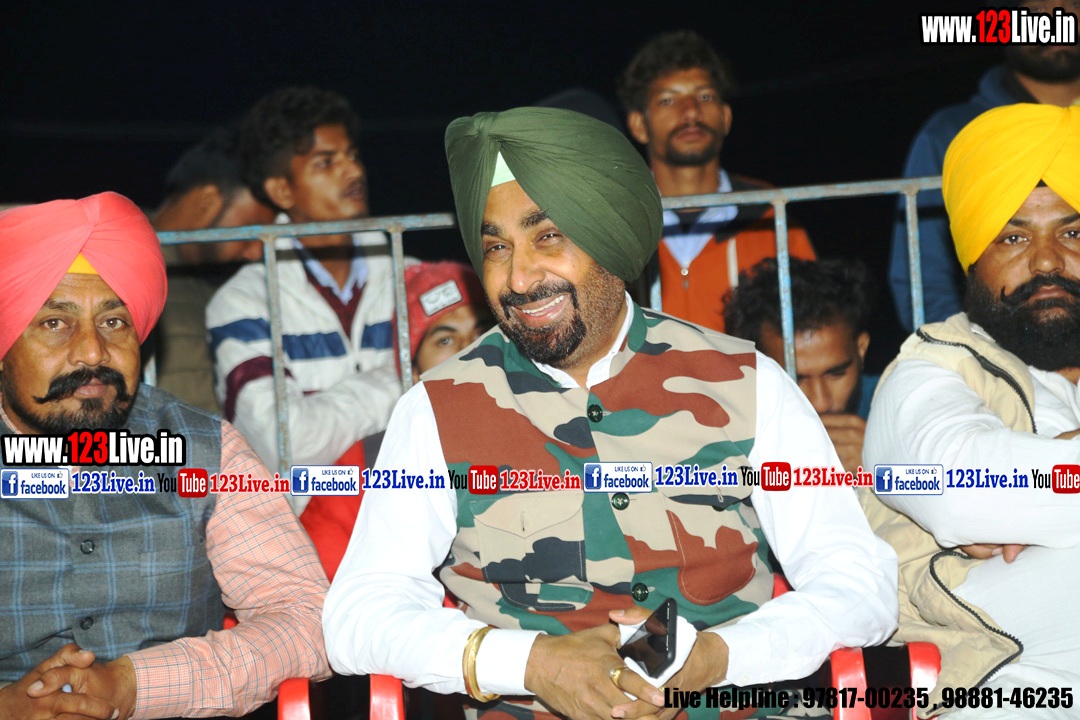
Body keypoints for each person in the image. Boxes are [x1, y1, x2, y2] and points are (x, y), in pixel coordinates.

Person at [323, 107, 897, 720]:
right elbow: (359, 615)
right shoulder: (438, 409)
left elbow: (858, 585)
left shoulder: (746, 382)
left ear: (610, 235)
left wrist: (718, 657)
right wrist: (531, 664)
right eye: (496, 247)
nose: (520, 277)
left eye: (548, 236)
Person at [0, 192, 329, 719]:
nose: (92, 351)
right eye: (55, 322)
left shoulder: (207, 450)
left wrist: (136, 685)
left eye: (114, 322)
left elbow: (306, 617)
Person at [864, 103, 1080, 716]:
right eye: (1013, 237)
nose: (1046, 260)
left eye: (1072, 233)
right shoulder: (930, 368)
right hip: (1000, 680)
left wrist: (1036, 501)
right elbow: (963, 490)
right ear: (970, 259)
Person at [206, 86, 401, 488]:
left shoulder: (414, 279)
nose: (354, 172)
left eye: (352, 155)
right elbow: (286, 446)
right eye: (326, 162)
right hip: (300, 525)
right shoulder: (242, 303)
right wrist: (403, 381)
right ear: (282, 191)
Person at [888, 0, 1080, 330]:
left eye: (1072, 5)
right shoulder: (952, 134)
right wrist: (972, 351)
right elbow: (922, 280)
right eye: (1035, 11)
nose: (1055, 22)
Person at [299, 260, 492, 581]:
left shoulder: (550, 434)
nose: (468, 351)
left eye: (483, 332)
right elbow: (312, 582)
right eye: (444, 340)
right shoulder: (367, 463)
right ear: (413, 371)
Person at [617, 30, 815, 332]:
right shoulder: (616, 219)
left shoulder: (769, 213)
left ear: (726, 117)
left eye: (705, 96)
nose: (691, 111)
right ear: (639, 124)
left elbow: (810, 328)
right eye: (668, 100)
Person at [150, 124, 276, 413]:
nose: (257, 252)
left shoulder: (226, 284)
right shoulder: (107, 263)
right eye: (251, 231)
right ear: (207, 202)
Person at [724, 258, 877, 474]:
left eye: (836, 373)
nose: (821, 403)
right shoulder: (727, 430)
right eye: (795, 380)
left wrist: (882, 468)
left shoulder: (901, 406)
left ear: (861, 349)